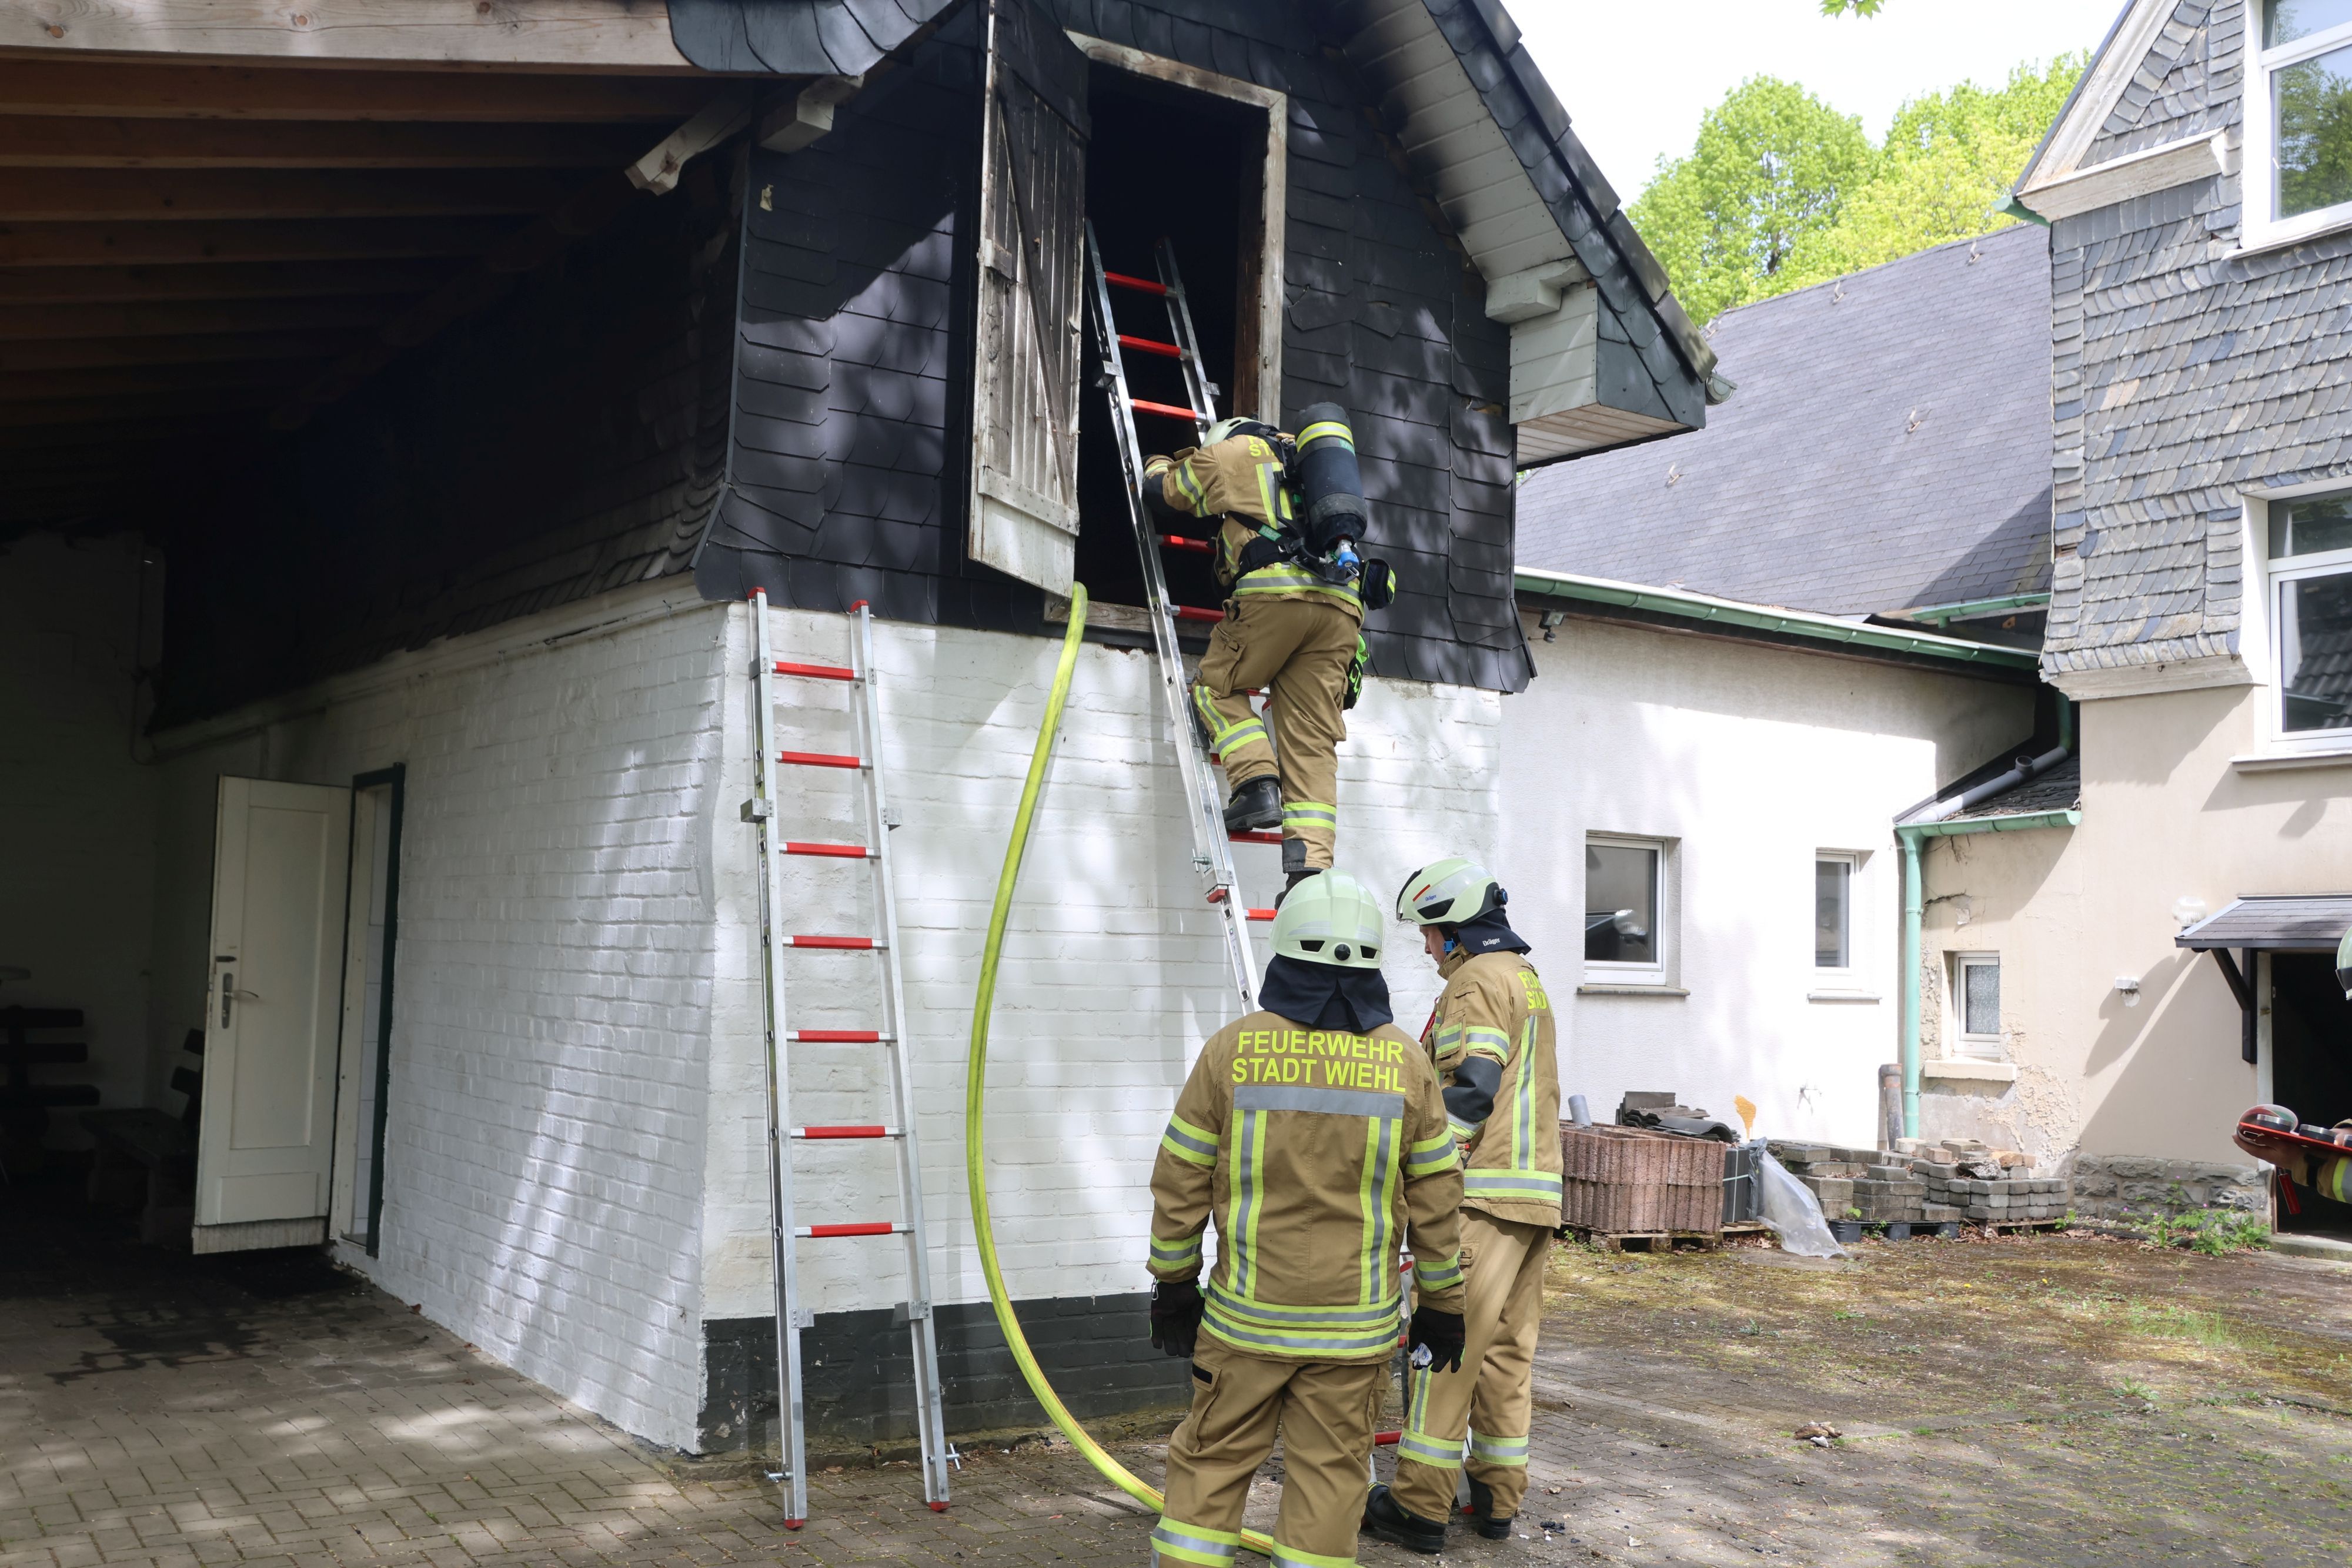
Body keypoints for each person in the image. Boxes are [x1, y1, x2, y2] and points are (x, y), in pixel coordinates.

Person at [1145, 870, 1465, 1568]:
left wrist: (1174, 1282)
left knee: (1211, 1466)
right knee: (1330, 1480)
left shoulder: (1233, 1050)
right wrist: (1443, 1305)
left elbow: (1180, 1180)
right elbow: (1438, 1201)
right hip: (1353, 1336)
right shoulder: (1407, 1064)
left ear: (1285, 952)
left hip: (1246, 1324)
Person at [1364, 858, 1562, 1553]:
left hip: (1479, 1199)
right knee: (1507, 1357)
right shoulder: (1524, 979)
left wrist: (1425, 1174)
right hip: (1533, 1201)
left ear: (1455, 933)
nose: (1425, 949)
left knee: (1443, 1352)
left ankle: (1418, 1507)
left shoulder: (1475, 981)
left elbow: (1471, 1088)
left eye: (1428, 934)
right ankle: (1497, 1500)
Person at [1141, 409, 1392, 894]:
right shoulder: (1312, 474)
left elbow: (1171, 493)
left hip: (1276, 597)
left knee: (1215, 688)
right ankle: (1309, 879)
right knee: (1311, 744)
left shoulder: (1236, 451)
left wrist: (1154, 464)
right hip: (1342, 610)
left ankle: (1256, 783)